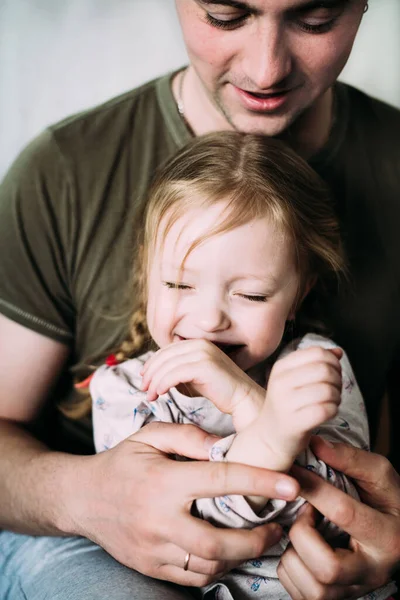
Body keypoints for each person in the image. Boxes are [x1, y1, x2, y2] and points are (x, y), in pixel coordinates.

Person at [0, 0, 399, 599]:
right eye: (225, 15)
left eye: (314, 20)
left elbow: (342, 487)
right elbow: (203, 510)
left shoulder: (317, 364)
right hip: (97, 551)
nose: (266, 70)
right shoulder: (64, 173)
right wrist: (84, 497)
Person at [86, 131, 394, 600]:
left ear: (299, 295)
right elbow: (176, 528)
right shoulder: (124, 391)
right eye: (178, 284)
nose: (209, 319)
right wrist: (266, 428)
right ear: (148, 277)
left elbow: (343, 515)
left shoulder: (315, 366)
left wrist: (247, 401)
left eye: (250, 294)